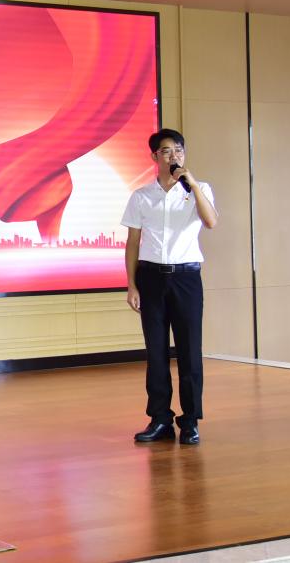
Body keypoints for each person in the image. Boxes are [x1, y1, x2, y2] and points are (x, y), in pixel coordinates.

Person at [121, 129, 217, 445]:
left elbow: (211, 222)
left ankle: (190, 421)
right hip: (150, 278)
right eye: (166, 151)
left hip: (186, 278)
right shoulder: (141, 196)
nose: (174, 156)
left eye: (179, 150)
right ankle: (160, 419)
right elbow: (133, 242)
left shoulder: (199, 189)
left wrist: (193, 185)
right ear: (155, 156)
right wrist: (132, 284)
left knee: (189, 351)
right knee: (157, 352)